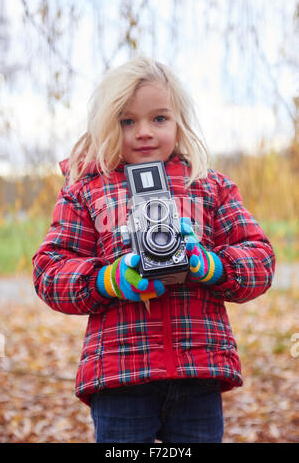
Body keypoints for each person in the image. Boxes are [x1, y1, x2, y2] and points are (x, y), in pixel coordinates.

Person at [32, 57, 275, 443]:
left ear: (179, 122)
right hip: (119, 374)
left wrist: (210, 265)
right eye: (128, 121)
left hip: (199, 370)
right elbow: (49, 271)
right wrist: (107, 279)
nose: (144, 132)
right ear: (108, 124)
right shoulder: (86, 188)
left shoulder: (209, 185)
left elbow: (260, 257)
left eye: (159, 118)